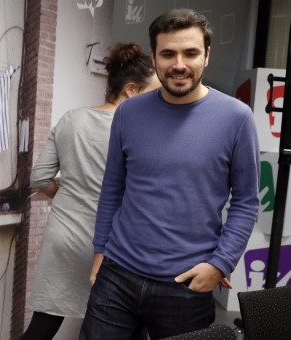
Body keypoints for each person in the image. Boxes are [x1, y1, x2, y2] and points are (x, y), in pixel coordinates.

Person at [80, 8, 260, 339]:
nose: (179, 64)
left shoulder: (237, 118)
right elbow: (112, 189)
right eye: (168, 53)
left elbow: (247, 201)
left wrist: (220, 263)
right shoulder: (129, 113)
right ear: (154, 57)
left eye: (190, 52)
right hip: (117, 276)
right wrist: (100, 251)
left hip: (186, 284)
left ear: (207, 55)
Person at [22, 42, 161, 340]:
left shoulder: (71, 118)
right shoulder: (139, 131)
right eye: (153, 92)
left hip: (64, 239)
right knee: (130, 329)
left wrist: (71, 193)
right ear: (132, 90)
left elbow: (39, 178)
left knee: (42, 328)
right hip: (114, 247)